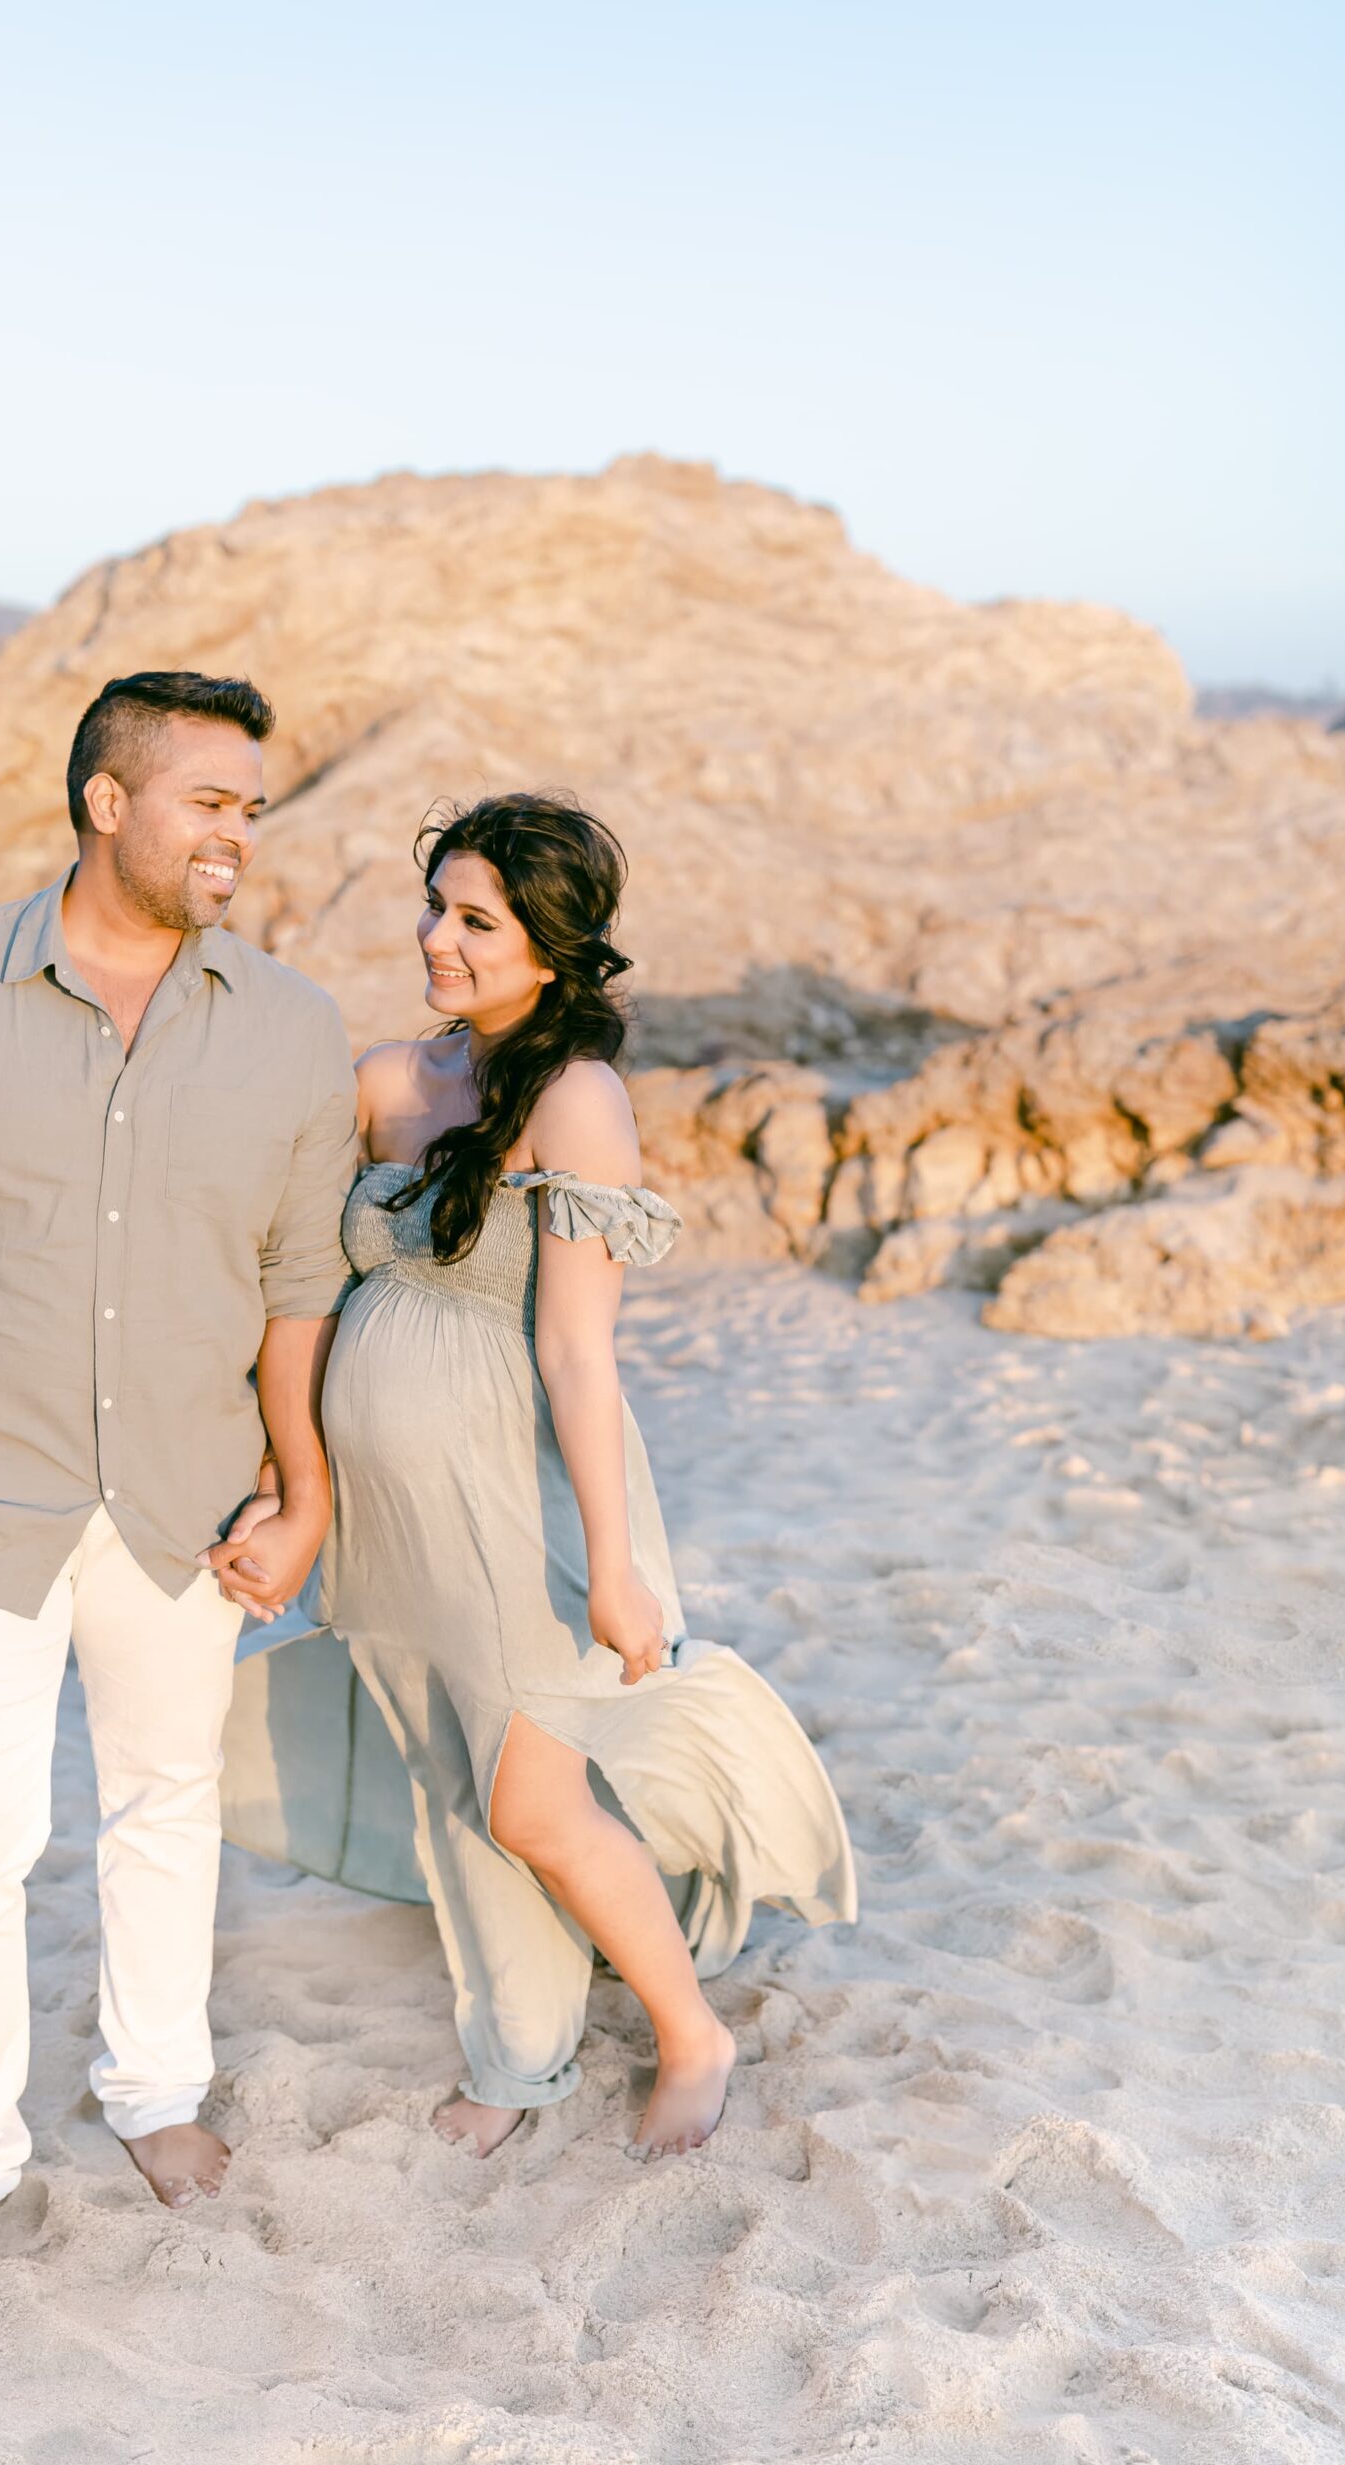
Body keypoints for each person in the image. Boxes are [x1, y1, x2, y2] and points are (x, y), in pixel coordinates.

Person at [0, 670, 354, 2303]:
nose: (239, 833)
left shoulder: (294, 1027)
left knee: (167, 1809)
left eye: (252, 805)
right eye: (210, 801)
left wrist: (296, 1491)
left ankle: (152, 2092)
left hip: (184, 1502)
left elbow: (300, 1281)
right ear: (108, 802)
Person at [204, 795, 856, 2160]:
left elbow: (575, 1351)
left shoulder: (576, 1100)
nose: (439, 938)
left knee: (528, 1800)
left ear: (549, 949)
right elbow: (300, 1284)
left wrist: (613, 1564)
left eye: (476, 920)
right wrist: (286, 1476)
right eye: (436, 907)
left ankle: (694, 2033)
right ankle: (518, 2057)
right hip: (384, 1521)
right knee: (459, 1798)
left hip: (509, 1504)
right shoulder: (389, 1082)